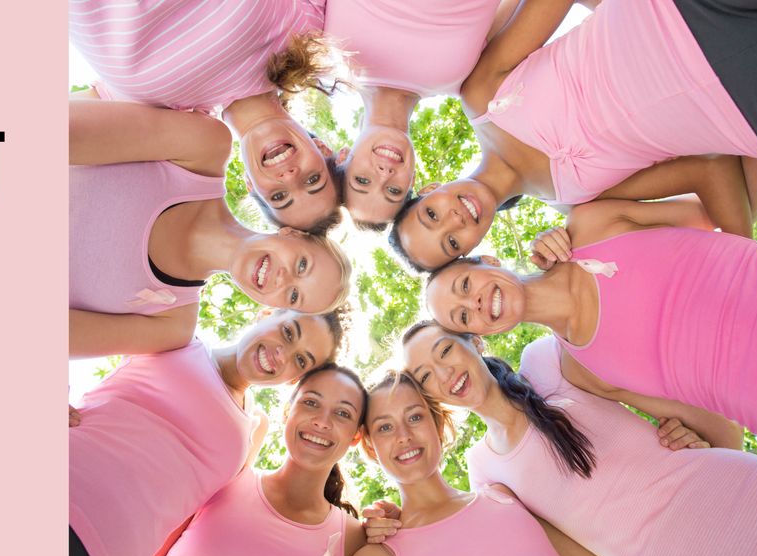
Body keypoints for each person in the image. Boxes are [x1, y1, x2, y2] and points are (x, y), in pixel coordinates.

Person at [389, 0, 757, 270]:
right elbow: (711, 169)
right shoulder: (579, 202)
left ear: (430, 187)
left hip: (684, 12)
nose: (454, 220)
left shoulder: (481, 96)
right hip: (753, 112)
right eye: (452, 243)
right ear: (474, 250)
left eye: (431, 215)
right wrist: (751, 264)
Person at [393, 329, 757, 556]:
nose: (445, 374)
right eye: (425, 376)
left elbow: (696, 411)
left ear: (475, 341)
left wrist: (701, 440)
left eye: (445, 350)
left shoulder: (548, 360)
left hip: (740, 494)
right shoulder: (483, 470)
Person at [424, 195, 757, 449]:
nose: (472, 302)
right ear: (482, 334)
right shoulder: (584, 374)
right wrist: (689, 439)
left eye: (465, 285)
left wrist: (749, 272)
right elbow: (726, 436)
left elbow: (720, 200)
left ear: (488, 260)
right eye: (462, 316)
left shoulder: (590, 224)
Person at [70, 97, 351, 357]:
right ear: (292, 233)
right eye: (302, 265)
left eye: (293, 296)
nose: (283, 279)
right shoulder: (203, 150)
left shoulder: (171, 326)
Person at [70, 308, 346, 556]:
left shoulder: (252, 429)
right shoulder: (178, 340)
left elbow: (187, 522)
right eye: (288, 332)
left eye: (300, 360)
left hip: (110, 555)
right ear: (267, 313)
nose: (282, 354)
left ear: (293, 380)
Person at [70, 0, 346, 232]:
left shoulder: (165, 119)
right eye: (312, 180)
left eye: (279, 196)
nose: (289, 176)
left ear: (250, 184)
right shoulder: (308, 35)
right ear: (322, 148)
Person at [350, 370, 598, 556]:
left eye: (415, 417)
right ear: (371, 447)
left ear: (437, 424)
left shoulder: (502, 496)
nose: (403, 435)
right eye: (385, 427)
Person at [323, 0, 517, 230]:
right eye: (393, 191)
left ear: (343, 157)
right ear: (412, 180)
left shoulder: (328, 57)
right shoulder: (466, 81)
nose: (384, 174)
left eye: (362, 181)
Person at [159, 366, 368, 556]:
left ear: (356, 436)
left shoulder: (353, 538)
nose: (322, 422)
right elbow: (155, 549)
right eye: (311, 402)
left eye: (342, 413)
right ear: (287, 411)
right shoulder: (227, 476)